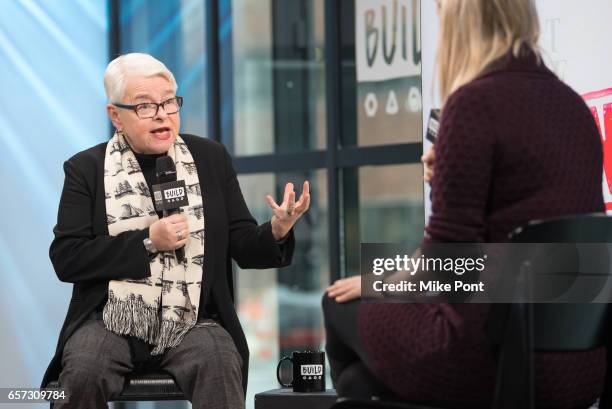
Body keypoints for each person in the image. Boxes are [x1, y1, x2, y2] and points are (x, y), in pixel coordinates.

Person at [323, 0, 605, 408]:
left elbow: (445, 264)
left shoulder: (473, 105)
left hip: (491, 357)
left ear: (462, 22)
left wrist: (378, 283)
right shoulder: (573, 108)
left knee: (336, 304)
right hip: (580, 368)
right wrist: (449, 176)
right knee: (361, 381)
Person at [40, 52, 310, 409]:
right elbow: (67, 258)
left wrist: (277, 230)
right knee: (84, 371)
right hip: (109, 318)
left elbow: (242, 244)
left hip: (193, 319)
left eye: (169, 102)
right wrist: (149, 241)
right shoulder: (86, 169)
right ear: (115, 116)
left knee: (219, 359)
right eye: (146, 106)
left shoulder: (209, 158)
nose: (163, 114)